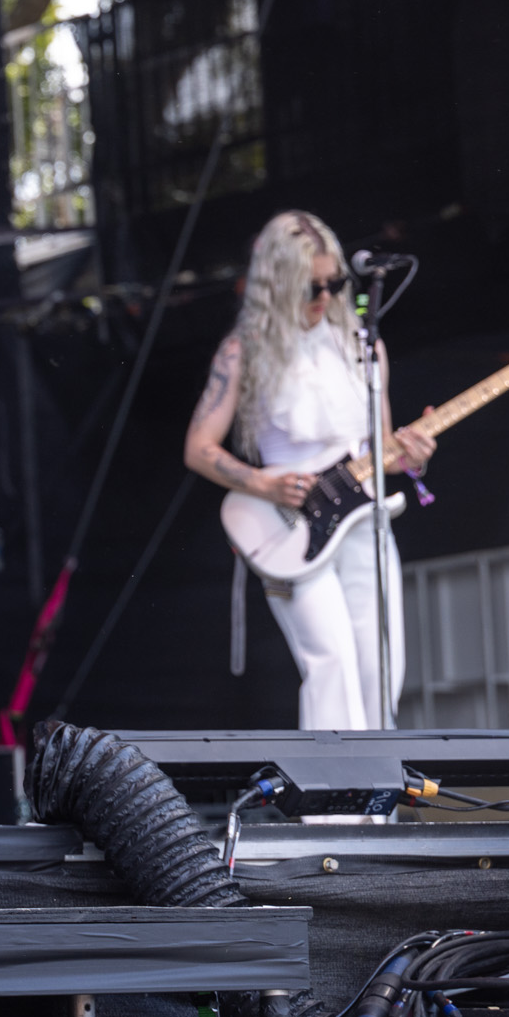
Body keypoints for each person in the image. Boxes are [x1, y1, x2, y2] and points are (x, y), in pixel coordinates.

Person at [184, 211, 438, 729]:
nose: (324, 297)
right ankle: (333, 785)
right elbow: (198, 447)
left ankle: (378, 783)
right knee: (331, 662)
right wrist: (261, 482)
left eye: (334, 284)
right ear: (277, 283)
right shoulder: (243, 351)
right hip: (291, 526)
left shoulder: (363, 346)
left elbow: (382, 448)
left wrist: (412, 454)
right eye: (310, 287)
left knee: (379, 667)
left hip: (364, 519)